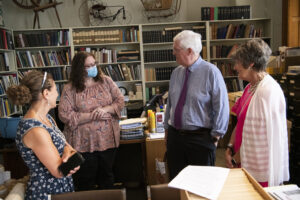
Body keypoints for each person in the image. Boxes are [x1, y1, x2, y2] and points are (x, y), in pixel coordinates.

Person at [164, 30, 229, 180]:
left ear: (189, 51)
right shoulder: (176, 73)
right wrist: (167, 129)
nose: (173, 53)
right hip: (176, 138)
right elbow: (171, 103)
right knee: (177, 181)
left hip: (200, 139)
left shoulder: (211, 72)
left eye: (176, 50)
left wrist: (216, 135)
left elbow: (222, 107)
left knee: (201, 183)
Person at [224, 39, 290, 187]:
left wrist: (234, 157)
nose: (235, 67)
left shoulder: (267, 91)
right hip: (240, 159)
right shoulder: (250, 88)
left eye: (238, 62)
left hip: (258, 168)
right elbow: (240, 123)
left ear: (251, 63)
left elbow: (255, 136)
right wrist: (229, 147)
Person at [6, 70, 80, 200]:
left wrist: (68, 152)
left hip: (60, 187)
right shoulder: (35, 130)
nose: (58, 93)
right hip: (46, 192)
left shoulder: (47, 119)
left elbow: (67, 146)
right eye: (56, 89)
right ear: (46, 94)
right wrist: (71, 160)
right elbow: (59, 171)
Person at [58, 51, 125, 191]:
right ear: (79, 69)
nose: (92, 67)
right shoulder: (70, 88)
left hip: (107, 141)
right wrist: (92, 116)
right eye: (88, 66)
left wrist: (106, 110)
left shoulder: (106, 81)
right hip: (82, 143)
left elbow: (120, 101)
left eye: (94, 64)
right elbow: (64, 115)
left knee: (107, 177)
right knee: (85, 181)